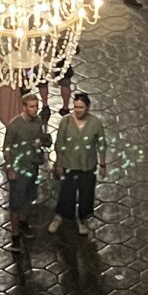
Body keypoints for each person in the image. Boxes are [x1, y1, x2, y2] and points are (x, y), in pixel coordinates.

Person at [48, 92, 106, 236]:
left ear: (87, 107)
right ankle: (61, 216)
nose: (78, 110)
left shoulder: (95, 123)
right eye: (76, 107)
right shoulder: (66, 121)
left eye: (81, 107)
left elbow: (102, 144)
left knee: (86, 193)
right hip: (69, 163)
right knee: (67, 192)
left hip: (87, 165)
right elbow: (59, 143)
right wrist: (58, 163)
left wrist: (103, 165)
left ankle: (82, 219)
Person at [1, 88, 53, 238]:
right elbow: (7, 147)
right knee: (16, 203)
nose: (35, 109)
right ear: (24, 107)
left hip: (32, 166)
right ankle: (15, 234)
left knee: (29, 198)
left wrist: (43, 142)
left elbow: (41, 138)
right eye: (31, 106)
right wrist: (10, 168)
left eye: (36, 106)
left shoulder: (37, 121)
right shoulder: (14, 125)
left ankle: (23, 223)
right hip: (19, 168)